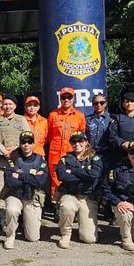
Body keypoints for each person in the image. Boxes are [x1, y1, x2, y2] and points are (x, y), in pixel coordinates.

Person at [55, 131, 103, 249]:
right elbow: (62, 176)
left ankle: (83, 228)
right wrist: (85, 176)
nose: (77, 144)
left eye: (80, 141)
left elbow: (95, 174)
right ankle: (65, 234)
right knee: (66, 206)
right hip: (70, 194)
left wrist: (73, 171)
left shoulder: (94, 158)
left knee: (89, 239)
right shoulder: (65, 159)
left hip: (87, 197)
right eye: (74, 142)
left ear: (86, 142)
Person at [2, 131, 48, 250]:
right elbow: (10, 181)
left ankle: (24, 223)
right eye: (23, 142)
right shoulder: (13, 159)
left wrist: (20, 176)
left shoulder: (40, 160)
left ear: (33, 144)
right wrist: (32, 177)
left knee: (32, 237)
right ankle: (10, 235)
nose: (26, 144)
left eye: (29, 142)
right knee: (12, 210)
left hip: (31, 196)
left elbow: (41, 182)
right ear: (20, 144)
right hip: (15, 194)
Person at [47, 87, 86, 220]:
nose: (66, 100)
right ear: (60, 99)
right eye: (64, 97)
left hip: (72, 154)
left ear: (73, 99)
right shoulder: (53, 115)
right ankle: (57, 208)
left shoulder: (79, 115)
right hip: (55, 153)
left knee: (72, 179)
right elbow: (49, 135)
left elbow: (82, 136)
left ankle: (72, 209)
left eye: (69, 97)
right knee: (55, 181)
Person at [0, 94, 30, 226]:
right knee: (0, 189)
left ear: (15, 106)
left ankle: (21, 217)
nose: (7, 106)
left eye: (10, 104)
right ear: (2, 106)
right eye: (5, 104)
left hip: (18, 160)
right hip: (1, 160)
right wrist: (3, 150)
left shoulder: (21, 119)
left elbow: (27, 136)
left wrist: (14, 150)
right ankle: (2, 217)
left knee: (19, 187)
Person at [85, 92, 114, 223]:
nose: (98, 105)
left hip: (107, 155)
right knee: (91, 181)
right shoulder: (87, 119)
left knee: (107, 182)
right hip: (91, 154)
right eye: (96, 103)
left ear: (105, 103)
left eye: (101, 102)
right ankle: (91, 210)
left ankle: (108, 211)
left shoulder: (112, 119)